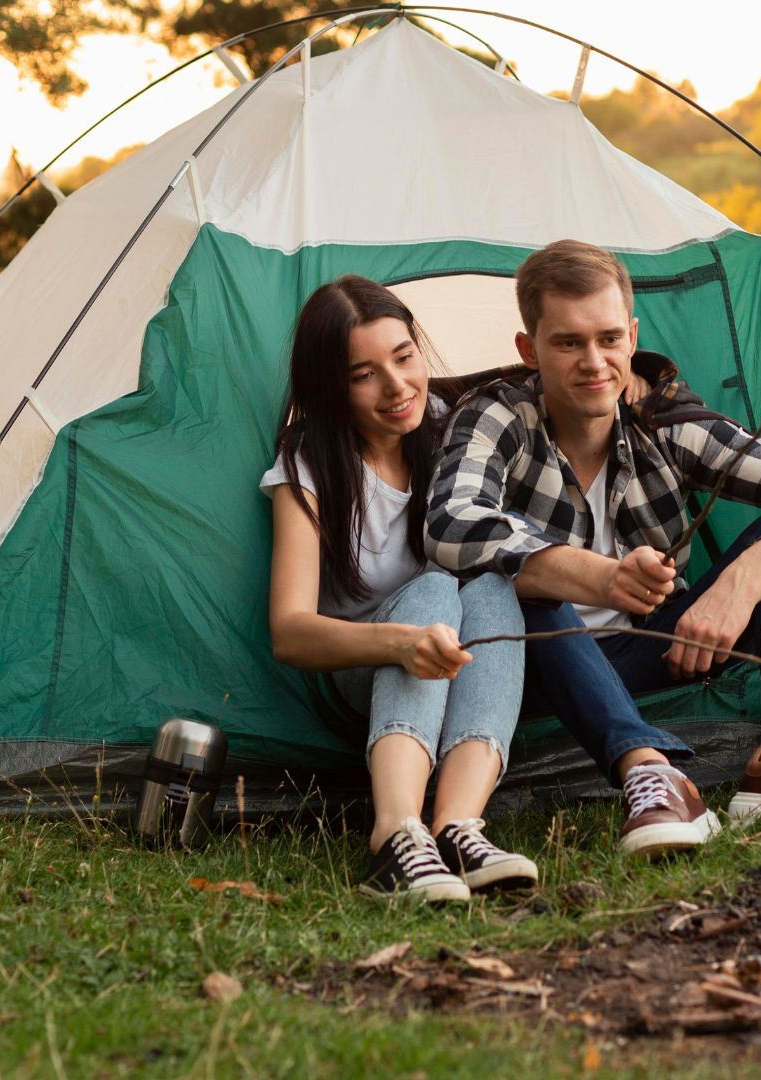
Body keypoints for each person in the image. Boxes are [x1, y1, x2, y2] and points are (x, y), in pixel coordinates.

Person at [425, 240, 761, 859]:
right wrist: (597, 577)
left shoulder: (664, 424)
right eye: (568, 343)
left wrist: (735, 592)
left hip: (655, 648)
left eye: (608, 339)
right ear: (528, 350)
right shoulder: (497, 415)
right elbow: (450, 523)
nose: (594, 362)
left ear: (632, 337)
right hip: (532, 666)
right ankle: (650, 772)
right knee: (514, 581)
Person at [265, 274, 534, 901]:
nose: (396, 387)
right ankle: (396, 836)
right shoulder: (307, 466)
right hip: (360, 667)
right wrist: (400, 643)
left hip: (445, 658)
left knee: (492, 587)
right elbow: (290, 632)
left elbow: (539, 384)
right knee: (436, 591)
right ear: (330, 387)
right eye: (364, 375)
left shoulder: (447, 425)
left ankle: (458, 828)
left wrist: (643, 374)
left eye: (404, 357)